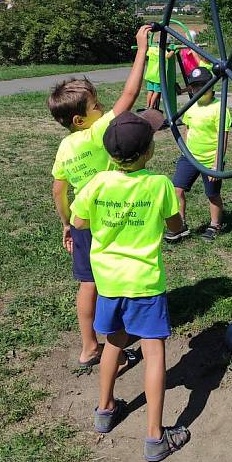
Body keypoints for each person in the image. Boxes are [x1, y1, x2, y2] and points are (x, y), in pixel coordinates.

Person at [71, 110, 190, 462]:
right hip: (145, 283)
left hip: (108, 282)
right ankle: (155, 437)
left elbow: (79, 220)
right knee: (154, 352)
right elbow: (174, 226)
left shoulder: (97, 183)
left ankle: (105, 410)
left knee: (114, 343)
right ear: (150, 151)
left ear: (110, 154)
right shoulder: (158, 185)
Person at [48, 25, 151, 367]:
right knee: (117, 275)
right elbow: (130, 94)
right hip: (109, 218)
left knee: (88, 283)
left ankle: (89, 346)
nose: (102, 107)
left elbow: (59, 189)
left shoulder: (65, 146)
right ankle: (117, 339)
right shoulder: (99, 133)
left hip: (81, 221)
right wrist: (141, 49)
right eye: (95, 105)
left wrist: (66, 224)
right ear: (80, 118)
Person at [166, 66, 232, 242]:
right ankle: (180, 225)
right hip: (189, 157)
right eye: (195, 86)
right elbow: (188, 128)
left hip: (211, 159)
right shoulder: (191, 105)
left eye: (203, 85)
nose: (199, 89)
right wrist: (185, 151)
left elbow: (222, 138)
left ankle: (215, 224)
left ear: (211, 85)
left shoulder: (220, 108)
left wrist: (217, 164)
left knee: (212, 194)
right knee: (176, 189)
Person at [144, 38, 174, 110]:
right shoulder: (163, 51)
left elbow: (147, 53)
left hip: (150, 74)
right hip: (158, 76)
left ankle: (147, 105)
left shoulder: (152, 49)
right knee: (157, 92)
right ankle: (151, 106)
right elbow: (168, 56)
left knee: (150, 90)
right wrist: (173, 51)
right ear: (166, 45)